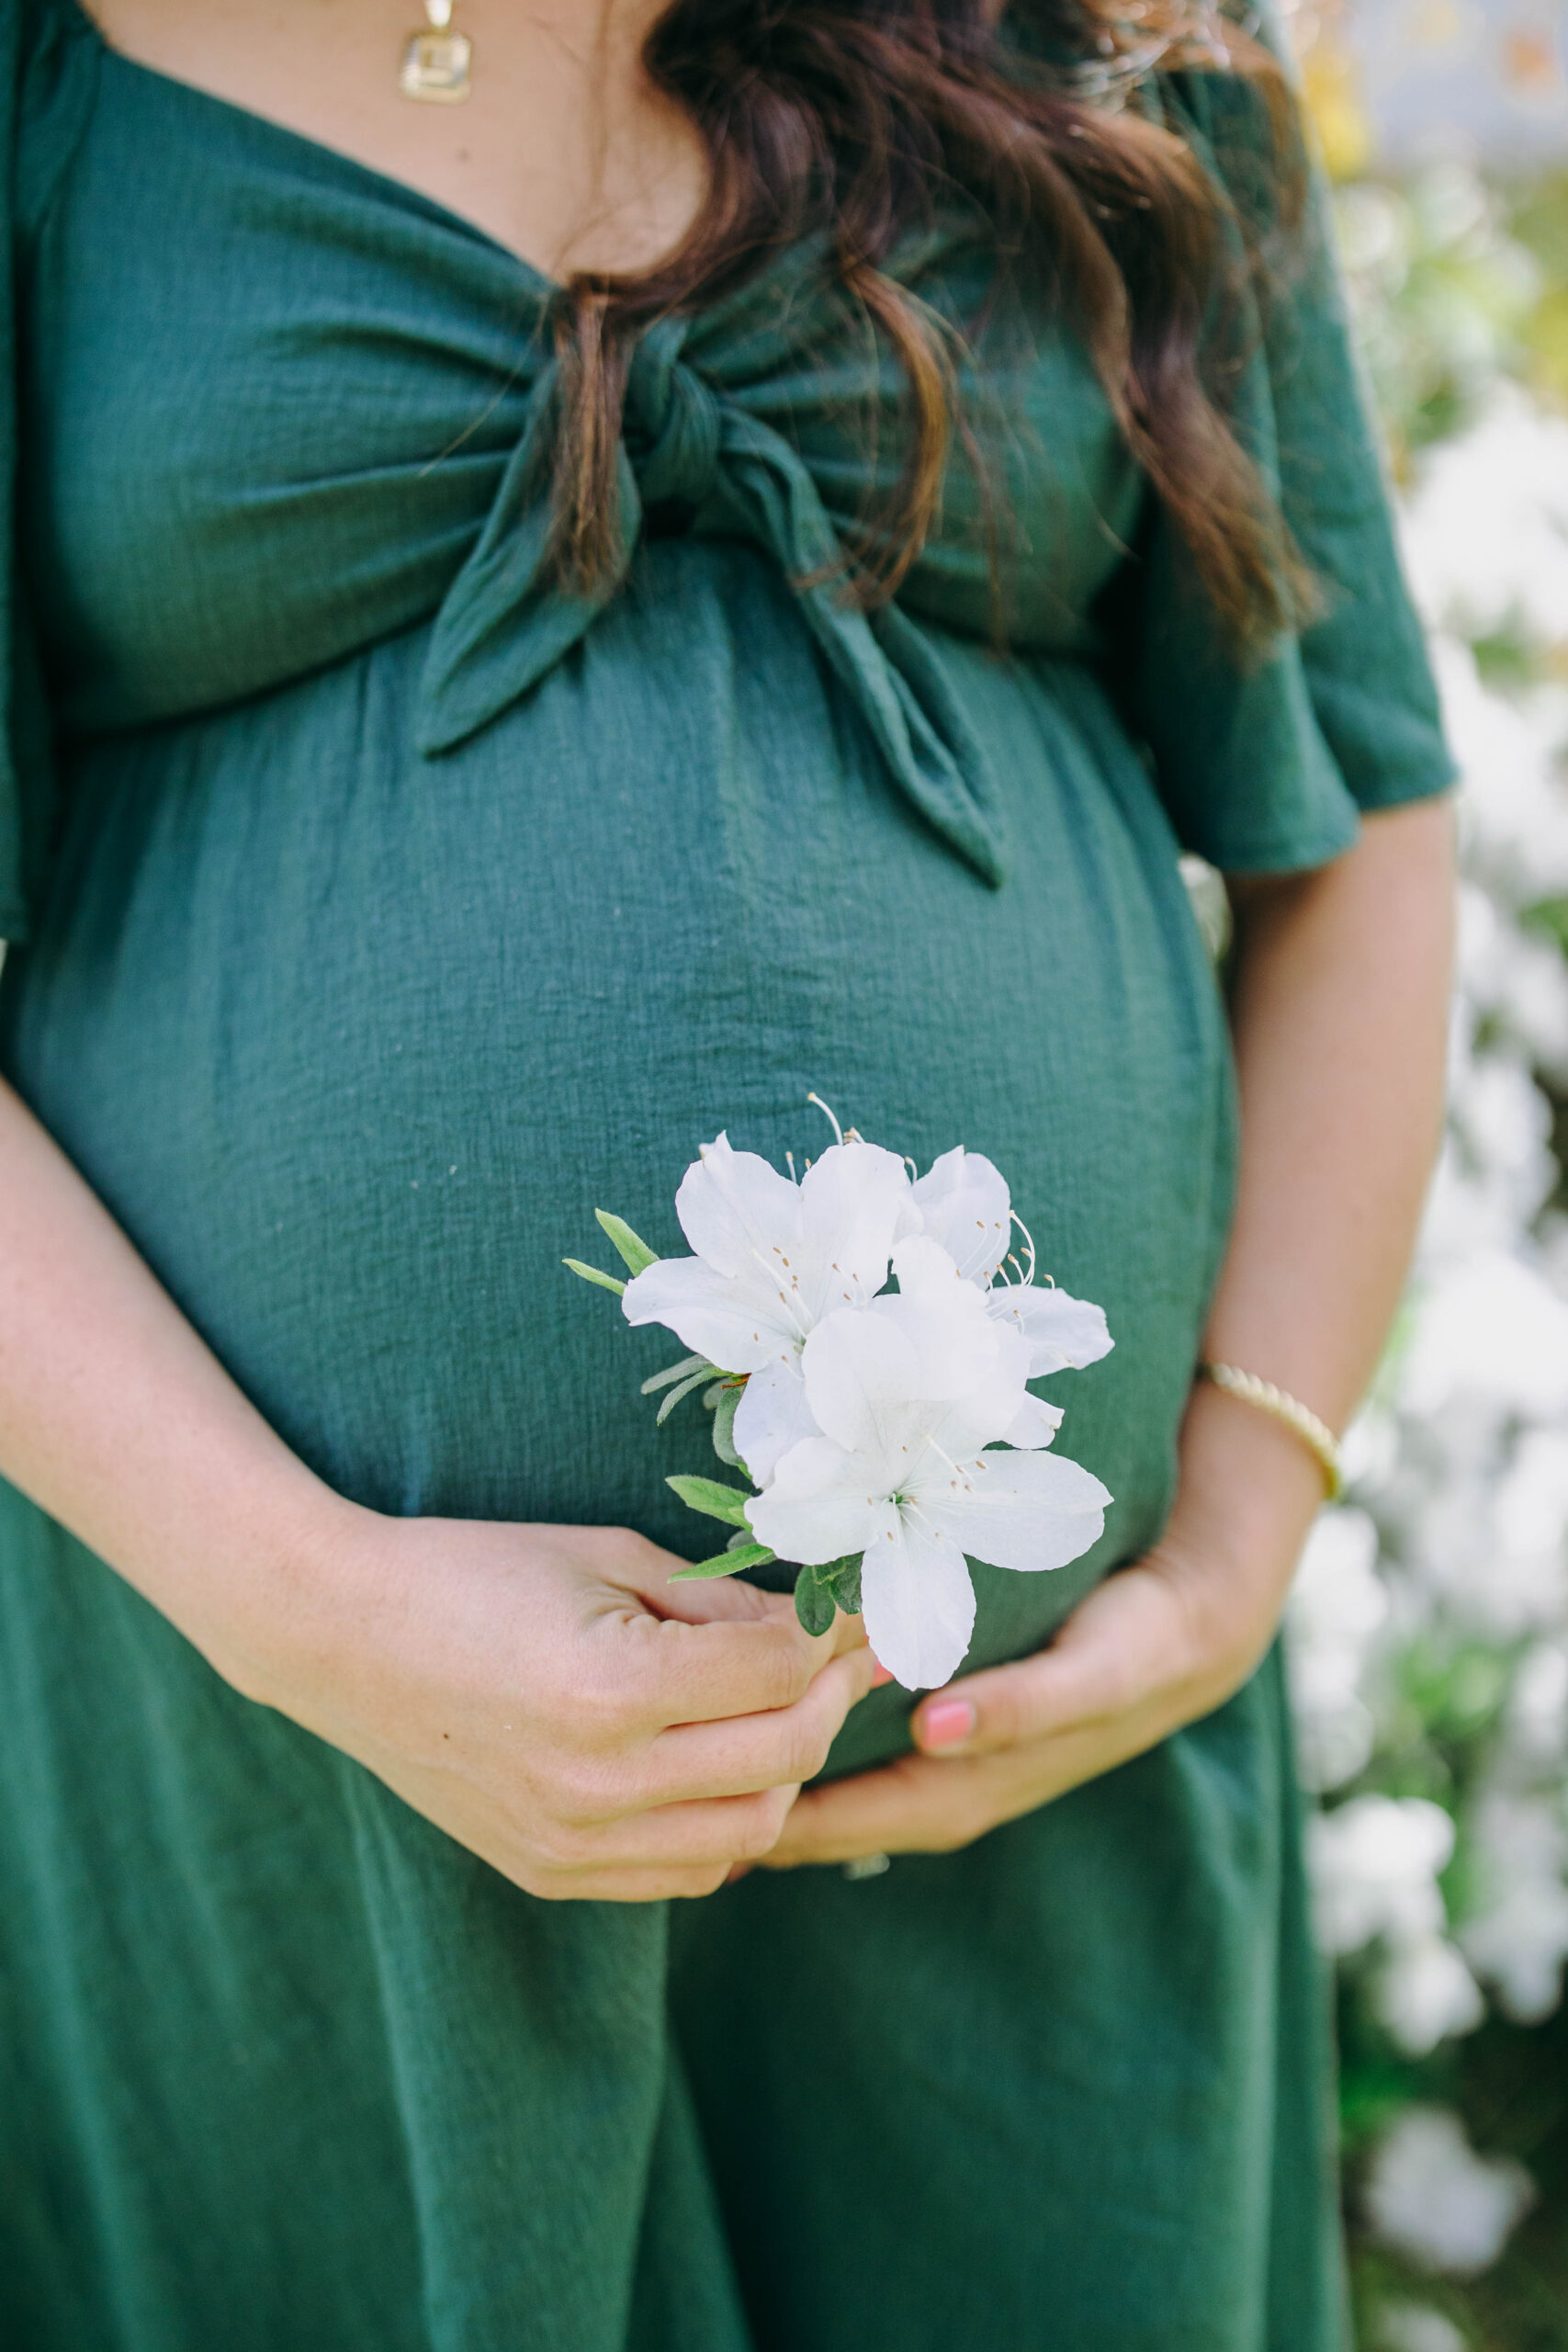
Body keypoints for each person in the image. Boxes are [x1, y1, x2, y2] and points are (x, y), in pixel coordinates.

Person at [0, 1, 1456, 2345]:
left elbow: (1360, 836)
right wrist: (308, 1607)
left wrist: (1236, 1530)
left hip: (1025, 1835)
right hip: (278, 1788)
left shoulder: (1121, 32)